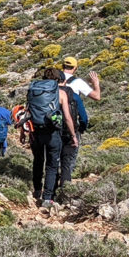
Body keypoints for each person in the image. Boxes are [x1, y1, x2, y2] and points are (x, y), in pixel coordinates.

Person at [28, 67, 79, 208]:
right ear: (58, 79)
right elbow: (67, 117)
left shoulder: (34, 91)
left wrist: (25, 133)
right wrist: (73, 135)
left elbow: (27, 112)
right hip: (52, 133)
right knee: (52, 165)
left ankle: (37, 190)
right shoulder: (61, 93)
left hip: (36, 132)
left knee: (38, 161)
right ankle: (47, 197)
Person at [56, 57, 96, 192]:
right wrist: (95, 83)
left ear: (62, 66)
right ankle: (65, 188)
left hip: (52, 125)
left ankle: (50, 189)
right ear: (75, 67)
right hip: (71, 125)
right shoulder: (78, 82)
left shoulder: (52, 81)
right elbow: (97, 97)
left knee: (53, 158)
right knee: (68, 160)